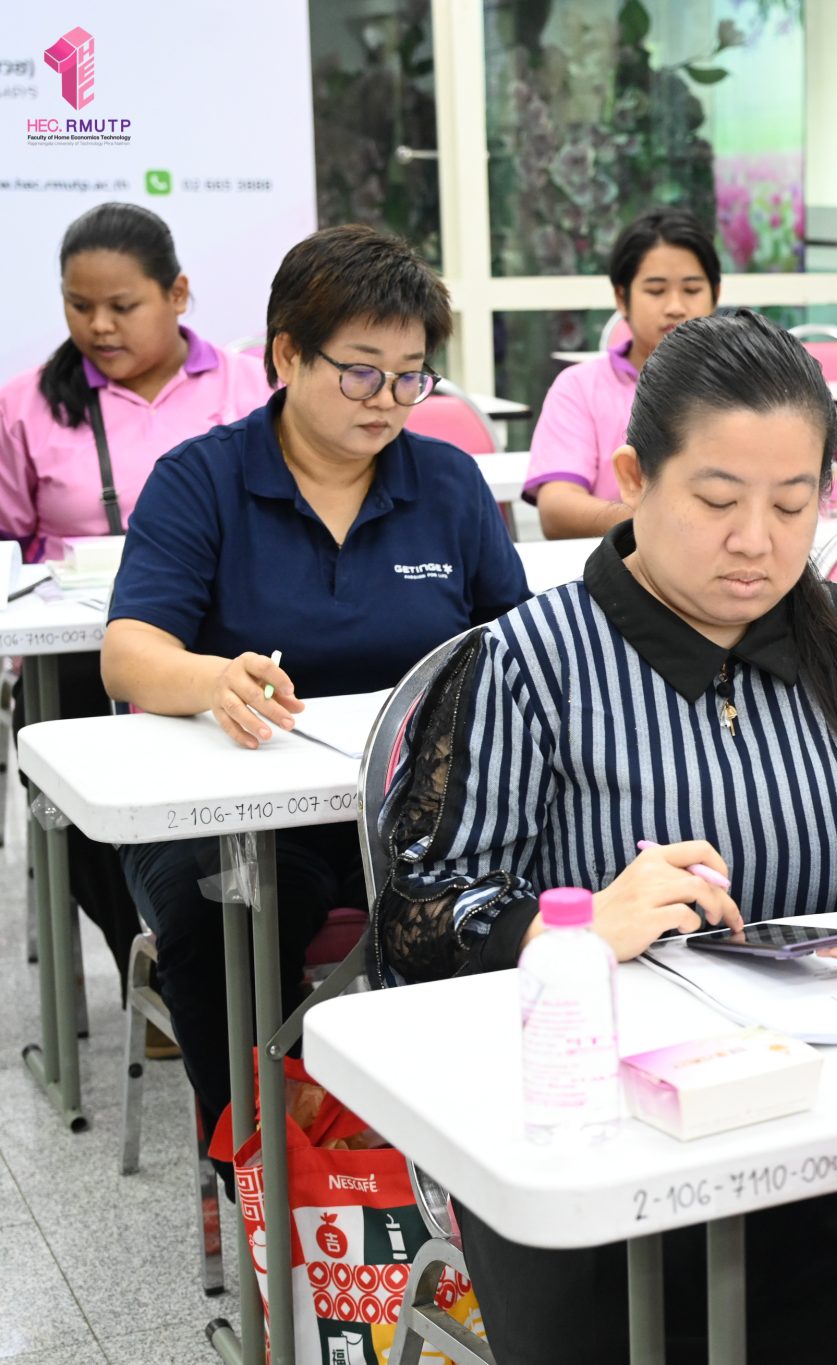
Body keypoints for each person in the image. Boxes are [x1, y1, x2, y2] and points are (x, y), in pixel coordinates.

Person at [377, 309, 837, 1362]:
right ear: (633, 478)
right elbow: (417, 917)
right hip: (623, 1148)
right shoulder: (530, 664)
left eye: (791, 503)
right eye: (716, 500)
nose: (756, 541)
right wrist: (573, 926)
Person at [100, 224, 530, 1145]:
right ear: (287, 354)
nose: (389, 401)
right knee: (222, 921)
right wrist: (212, 676)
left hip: (416, 805)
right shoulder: (203, 480)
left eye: (411, 377)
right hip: (243, 808)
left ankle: (459, 1151)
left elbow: (516, 645)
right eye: (362, 372)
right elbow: (128, 651)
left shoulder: (448, 484)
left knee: (524, 897)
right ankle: (258, 1160)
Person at [0, 202, 272, 988]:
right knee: (62, 755)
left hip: (227, 640)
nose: (99, 326)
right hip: (82, 656)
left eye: (122, 305)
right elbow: (10, 542)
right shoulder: (27, 404)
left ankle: (244, 961)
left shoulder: (250, 385)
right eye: (79, 305)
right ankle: (151, 965)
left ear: (177, 293)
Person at [524, 207, 722, 539]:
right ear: (621, 296)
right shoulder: (579, 388)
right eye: (656, 291)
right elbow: (557, 510)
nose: (675, 307)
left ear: (716, 293)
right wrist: (656, 523)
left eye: (691, 290)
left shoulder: (747, 385)